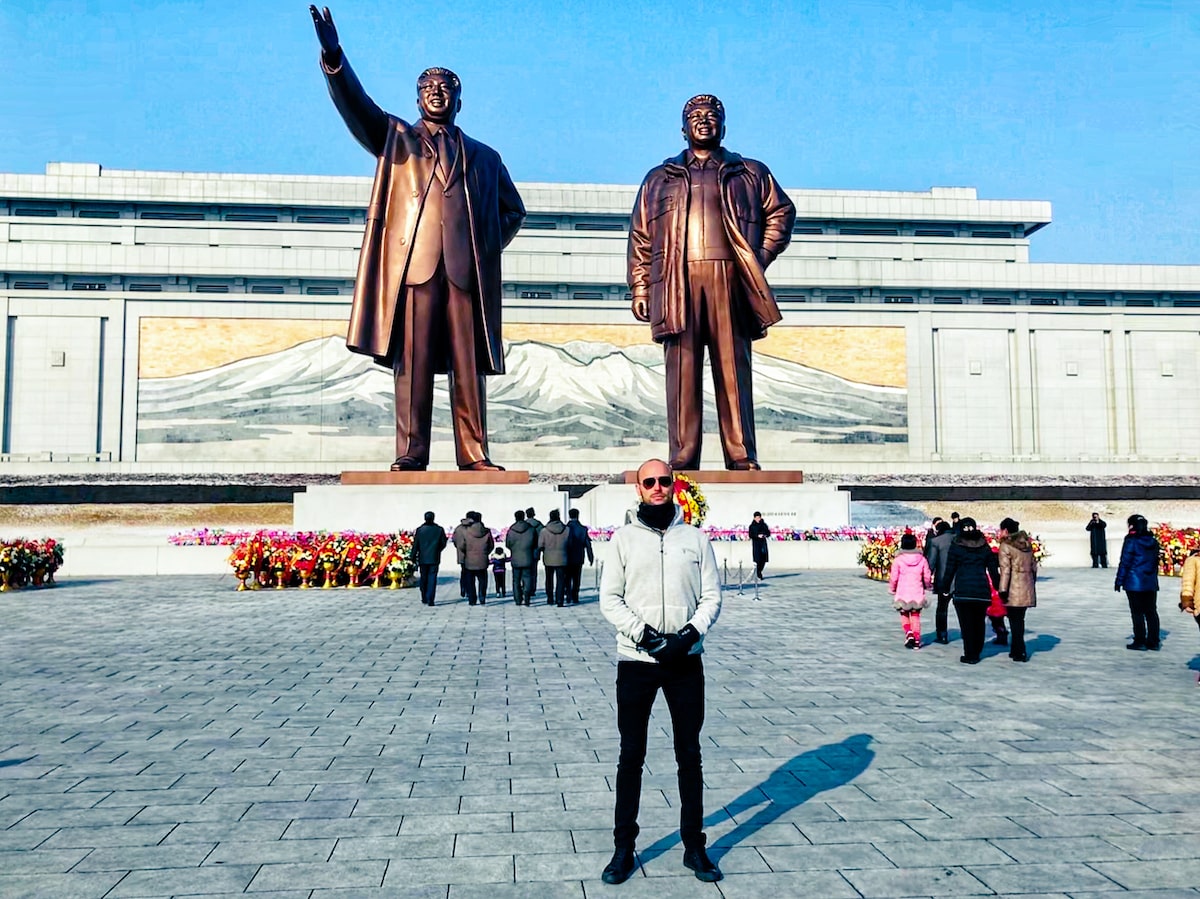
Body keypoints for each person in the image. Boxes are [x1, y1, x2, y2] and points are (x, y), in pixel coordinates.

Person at [310, 7, 525, 472]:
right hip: (416, 268)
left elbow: (514, 210)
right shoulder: (396, 139)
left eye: (445, 89)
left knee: (469, 368)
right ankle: (412, 452)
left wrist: (484, 246)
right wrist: (333, 56)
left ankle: (475, 453)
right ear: (417, 98)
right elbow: (356, 105)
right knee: (414, 364)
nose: (436, 94)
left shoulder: (485, 157)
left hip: (465, 274)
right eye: (428, 89)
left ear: (458, 100)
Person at [628, 95, 795, 471]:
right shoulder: (659, 178)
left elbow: (781, 212)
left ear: (724, 125)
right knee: (682, 369)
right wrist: (640, 288)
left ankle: (740, 453)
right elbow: (640, 236)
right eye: (695, 117)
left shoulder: (749, 172)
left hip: (730, 278)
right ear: (683, 127)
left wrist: (758, 258)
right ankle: (683, 455)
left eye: (712, 116)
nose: (704, 121)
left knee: (733, 367)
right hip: (676, 281)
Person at [598, 458, 723, 884]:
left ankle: (694, 847)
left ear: (674, 485)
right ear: (638, 487)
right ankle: (623, 849)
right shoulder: (623, 540)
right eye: (648, 481)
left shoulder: (695, 539)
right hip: (637, 663)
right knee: (631, 755)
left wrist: (687, 636)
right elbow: (610, 599)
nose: (657, 487)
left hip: (686, 663)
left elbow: (712, 597)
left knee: (689, 755)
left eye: (663, 481)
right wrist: (648, 637)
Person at [941, 517, 1000, 664]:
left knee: (966, 624)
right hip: (981, 590)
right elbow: (993, 570)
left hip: (963, 590)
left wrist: (945, 587)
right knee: (979, 622)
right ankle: (977, 650)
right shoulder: (984, 546)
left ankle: (970, 653)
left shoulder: (956, 546)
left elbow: (950, 569)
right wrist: (999, 587)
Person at [1115, 514, 1161, 650]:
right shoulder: (1153, 541)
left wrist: (1119, 580)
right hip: (1150, 582)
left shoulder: (1131, 541)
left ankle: (1139, 640)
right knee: (1151, 612)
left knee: (1137, 612)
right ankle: (1153, 641)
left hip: (1134, 582)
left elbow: (1125, 562)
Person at [997, 517, 1037, 662]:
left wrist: (1002, 589)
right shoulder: (1026, 544)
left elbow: (1005, 570)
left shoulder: (1006, 546)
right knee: (1019, 620)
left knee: (1015, 621)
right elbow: (1034, 568)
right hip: (1026, 587)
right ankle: (1016, 649)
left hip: (1012, 588)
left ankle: (1019, 651)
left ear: (1006, 530)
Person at [888, 533, 932, 649]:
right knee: (915, 615)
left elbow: (894, 577)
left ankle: (909, 633)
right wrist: (928, 586)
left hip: (903, 592)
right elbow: (927, 575)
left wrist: (892, 589)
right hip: (917, 591)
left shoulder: (898, 560)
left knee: (904, 614)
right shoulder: (922, 559)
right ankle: (917, 640)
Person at [455, 511, 494, 605]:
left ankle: (472, 599)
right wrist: (485, 553)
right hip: (482, 560)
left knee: (470, 580)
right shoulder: (486, 531)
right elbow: (491, 545)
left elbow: (461, 545)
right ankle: (482, 597)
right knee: (483, 580)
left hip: (470, 559)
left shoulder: (467, 531)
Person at [926, 519, 955, 644]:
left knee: (942, 608)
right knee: (963, 609)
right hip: (960, 579)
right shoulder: (958, 539)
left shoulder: (936, 541)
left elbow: (931, 563)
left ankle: (942, 635)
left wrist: (926, 579)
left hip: (943, 580)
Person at [411, 510, 447, 606]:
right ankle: (431, 598)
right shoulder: (439, 530)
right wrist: (437, 550)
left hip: (423, 557)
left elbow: (416, 544)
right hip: (434, 557)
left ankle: (424, 597)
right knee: (432, 578)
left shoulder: (420, 530)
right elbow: (443, 543)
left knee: (424, 578)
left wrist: (413, 556)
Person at [987, 521, 1012, 647]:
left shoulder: (992, 571)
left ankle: (1001, 633)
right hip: (1009, 590)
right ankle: (1003, 633)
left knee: (996, 616)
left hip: (995, 593)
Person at [539, 509, 570, 607]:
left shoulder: (544, 531)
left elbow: (540, 544)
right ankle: (560, 600)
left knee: (549, 579)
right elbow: (570, 543)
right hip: (562, 558)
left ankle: (550, 598)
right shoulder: (566, 529)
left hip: (548, 558)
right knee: (561, 580)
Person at [505, 510, 537, 606]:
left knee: (516, 580)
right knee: (527, 578)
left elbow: (508, 544)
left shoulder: (511, 530)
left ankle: (518, 599)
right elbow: (535, 543)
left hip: (515, 558)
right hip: (528, 557)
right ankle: (527, 595)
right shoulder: (531, 529)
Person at [564, 508, 595, 604]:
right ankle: (575, 596)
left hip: (567, 557)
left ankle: (568, 595)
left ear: (569, 515)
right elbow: (588, 545)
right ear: (578, 515)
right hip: (578, 557)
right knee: (576, 578)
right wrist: (591, 557)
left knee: (567, 577)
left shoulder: (565, 528)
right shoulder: (583, 529)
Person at [451, 512, 474, 598]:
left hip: (461, 554)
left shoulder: (458, 528)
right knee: (470, 574)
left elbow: (454, 540)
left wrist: (459, 548)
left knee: (464, 572)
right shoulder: (473, 528)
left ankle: (463, 588)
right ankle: (469, 590)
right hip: (472, 554)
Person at [525, 507, 545, 601]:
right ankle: (532, 589)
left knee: (525, 572)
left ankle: (525, 588)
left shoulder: (523, 525)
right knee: (533, 572)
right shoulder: (539, 525)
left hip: (525, 551)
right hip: (535, 551)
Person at [748, 512, 770, 579]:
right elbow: (750, 535)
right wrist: (757, 536)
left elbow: (768, 533)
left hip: (763, 544)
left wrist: (764, 535)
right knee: (758, 559)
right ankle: (758, 573)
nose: (758, 519)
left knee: (763, 560)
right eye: (757, 517)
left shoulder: (764, 525)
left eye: (759, 517)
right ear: (754, 518)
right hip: (756, 544)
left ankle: (759, 571)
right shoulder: (752, 526)